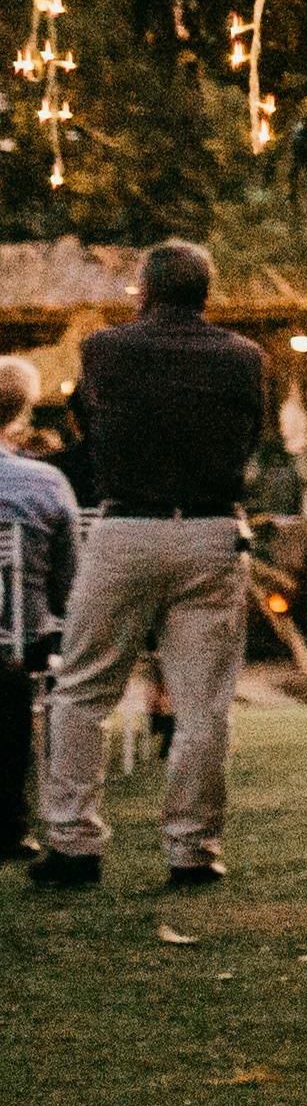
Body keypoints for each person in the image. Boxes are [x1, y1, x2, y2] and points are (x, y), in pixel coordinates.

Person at [31, 241, 272, 889]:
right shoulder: (244, 357)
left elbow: (88, 421)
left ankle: (74, 843)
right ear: (206, 293)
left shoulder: (105, 349)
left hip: (126, 528)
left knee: (81, 689)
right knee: (203, 707)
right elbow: (254, 437)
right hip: (212, 528)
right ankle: (192, 850)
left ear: (144, 288)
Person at [0, 361, 67, 853]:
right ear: (21, 415)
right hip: (17, 645)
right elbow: (70, 583)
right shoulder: (44, 483)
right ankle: (7, 822)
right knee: (14, 670)